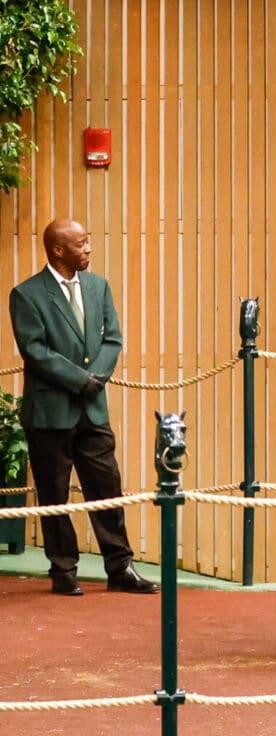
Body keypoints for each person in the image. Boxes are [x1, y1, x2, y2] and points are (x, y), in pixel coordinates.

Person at [9, 218, 158, 596]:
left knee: (108, 488)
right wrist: (80, 381)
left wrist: (97, 381)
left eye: (88, 241)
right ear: (58, 250)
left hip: (93, 410)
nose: (89, 249)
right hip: (50, 414)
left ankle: (120, 567)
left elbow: (113, 338)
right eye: (81, 243)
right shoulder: (26, 295)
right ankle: (63, 570)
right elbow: (35, 351)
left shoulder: (98, 287)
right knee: (54, 496)